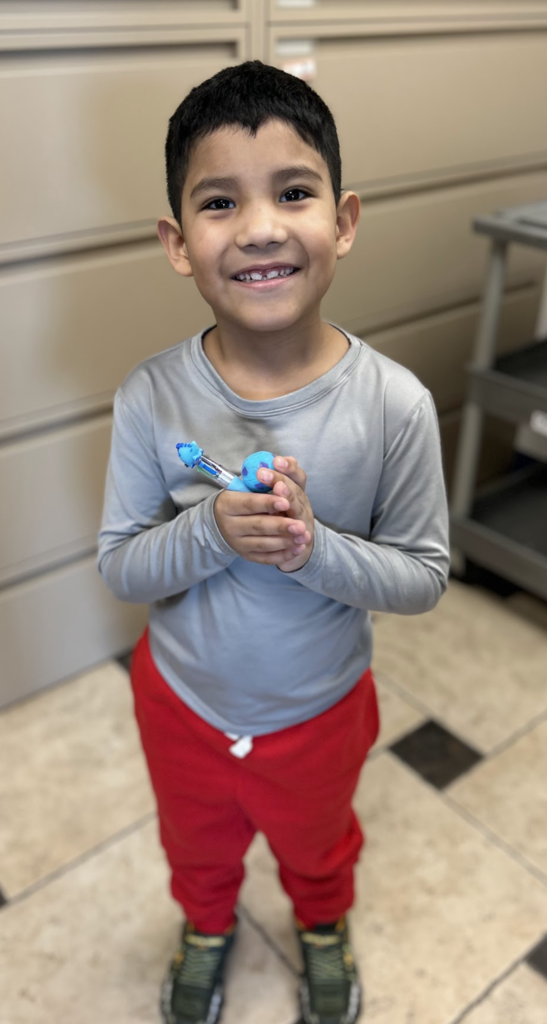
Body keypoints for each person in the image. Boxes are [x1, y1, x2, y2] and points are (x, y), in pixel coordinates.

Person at [98, 60, 449, 1024]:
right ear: (178, 242)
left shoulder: (395, 407)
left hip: (320, 709)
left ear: (342, 220)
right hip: (181, 698)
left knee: (318, 843)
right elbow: (122, 563)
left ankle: (323, 925)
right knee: (196, 845)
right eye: (219, 202)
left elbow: (421, 578)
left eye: (292, 192)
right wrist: (211, 531)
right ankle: (206, 927)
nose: (258, 226)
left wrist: (311, 551)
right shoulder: (149, 397)